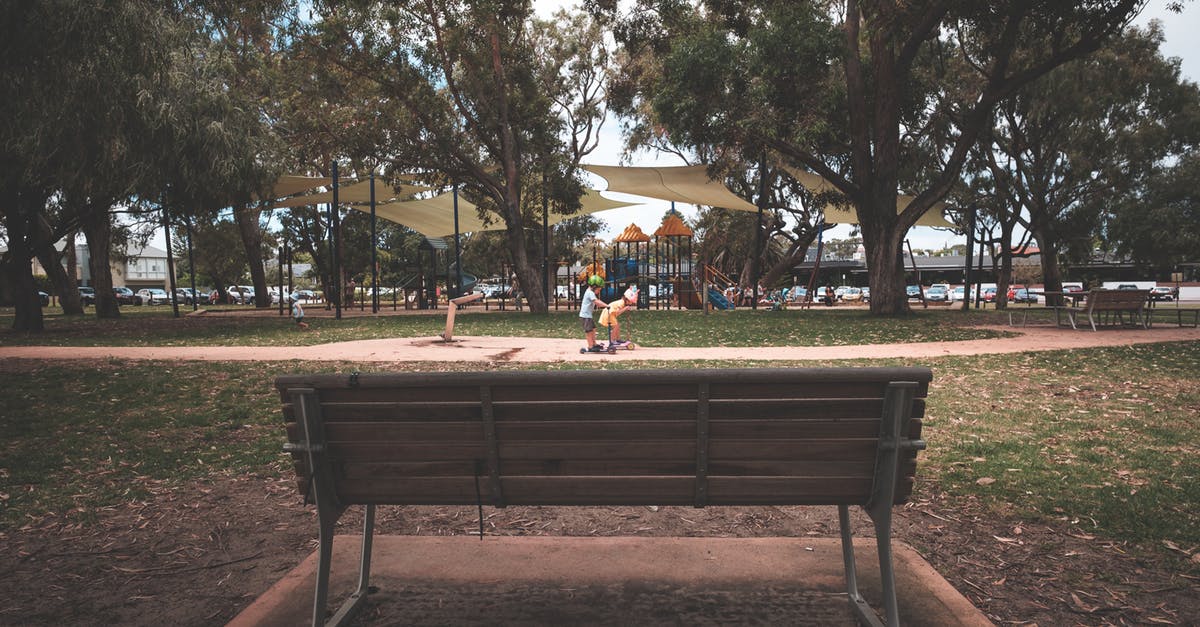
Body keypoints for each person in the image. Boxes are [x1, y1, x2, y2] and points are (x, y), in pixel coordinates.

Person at [579, 275, 608, 351]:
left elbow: (596, 301)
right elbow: (597, 302)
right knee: (589, 331)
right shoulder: (590, 293)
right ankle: (590, 346)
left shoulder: (590, 292)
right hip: (585, 316)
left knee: (593, 329)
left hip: (588, 316)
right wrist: (607, 306)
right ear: (594, 286)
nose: (599, 291)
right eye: (599, 289)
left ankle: (594, 343)